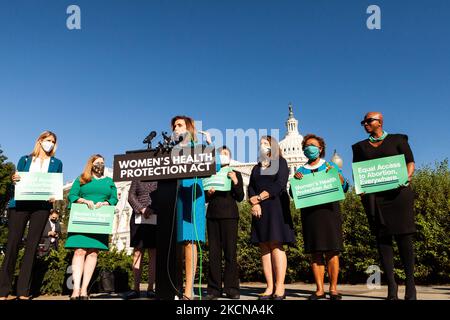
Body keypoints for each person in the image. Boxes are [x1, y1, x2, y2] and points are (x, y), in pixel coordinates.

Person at [352, 112, 417, 300]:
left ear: (380, 122)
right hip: (375, 199)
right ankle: (392, 286)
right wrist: (361, 188)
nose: (365, 124)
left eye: (369, 121)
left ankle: (411, 285)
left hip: (399, 196)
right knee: (383, 242)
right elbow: (358, 171)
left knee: (405, 239)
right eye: (363, 121)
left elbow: (410, 162)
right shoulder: (360, 147)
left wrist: (406, 177)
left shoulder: (398, 139)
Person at [0, 131, 62, 300]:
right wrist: (15, 179)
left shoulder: (57, 163)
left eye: (53, 141)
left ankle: (23, 291)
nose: (50, 143)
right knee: (13, 243)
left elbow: (55, 185)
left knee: (32, 247)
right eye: (48, 140)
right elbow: (16, 183)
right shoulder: (25, 159)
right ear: (40, 141)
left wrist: (54, 196)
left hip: (41, 207)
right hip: (20, 205)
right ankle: (3, 290)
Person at [291, 134, 348, 300]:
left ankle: (334, 289)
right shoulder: (300, 171)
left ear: (320, 148)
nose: (309, 148)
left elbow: (344, 187)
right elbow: (293, 193)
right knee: (315, 253)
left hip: (329, 213)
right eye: (307, 145)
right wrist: (296, 181)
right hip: (310, 216)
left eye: (313, 145)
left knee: (332, 251)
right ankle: (319, 289)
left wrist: (338, 176)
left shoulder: (330, 166)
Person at [171, 115, 215, 300]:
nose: (176, 128)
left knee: (189, 243)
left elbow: (217, 164)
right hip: (174, 200)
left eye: (180, 125)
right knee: (175, 246)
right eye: (174, 126)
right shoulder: (170, 150)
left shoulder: (198, 149)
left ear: (189, 128)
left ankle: (188, 291)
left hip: (192, 197)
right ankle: (172, 287)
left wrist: (209, 145)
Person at [248, 135, 295, 300]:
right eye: (260, 144)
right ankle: (269, 286)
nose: (262, 146)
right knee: (264, 246)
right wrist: (254, 202)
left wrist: (260, 198)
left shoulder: (280, 162)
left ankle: (280, 286)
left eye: (265, 144)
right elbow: (251, 186)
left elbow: (279, 184)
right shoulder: (256, 167)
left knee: (276, 245)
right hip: (259, 210)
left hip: (276, 208)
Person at [65, 154, 118, 300]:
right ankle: (75, 290)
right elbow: (72, 195)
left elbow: (114, 197)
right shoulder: (82, 178)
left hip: (99, 220)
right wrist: (83, 200)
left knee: (93, 253)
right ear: (91, 164)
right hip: (82, 218)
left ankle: (84, 290)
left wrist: (106, 203)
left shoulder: (109, 181)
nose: (100, 165)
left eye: (102, 163)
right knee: (79, 252)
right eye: (97, 162)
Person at [204, 146, 244, 300]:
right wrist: (208, 193)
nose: (223, 156)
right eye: (220, 154)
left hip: (230, 216)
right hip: (213, 215)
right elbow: (205, 199)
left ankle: (232, 289)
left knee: (230, 253)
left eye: (225, 154)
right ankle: (214, 290)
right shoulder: (210, 173)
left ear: (230, 157)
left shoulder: (236, 174)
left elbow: (240, 196)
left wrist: (234, 181)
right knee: (213, 253)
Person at [124, 180, 158, 299]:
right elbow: (131, 196)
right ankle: (136, 289)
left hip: (155, 217)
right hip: (138, 218)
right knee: (138, 251)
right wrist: (142, 209)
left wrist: (153, 209)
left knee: (153, 252)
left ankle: (150, 289)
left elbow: (162, 196)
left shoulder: (161, 177)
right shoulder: (137, 177)